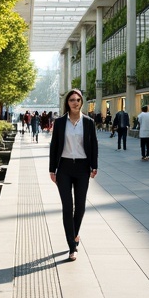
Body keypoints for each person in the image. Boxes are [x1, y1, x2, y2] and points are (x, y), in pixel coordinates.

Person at [49, 89, 99, 261]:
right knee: (67, 207)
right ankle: (72, 245)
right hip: (64, 168)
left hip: (83, 167)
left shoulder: (89, 122)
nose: (75, 102)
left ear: (81, 102)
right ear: (67, 103)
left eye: (78, 100)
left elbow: (94, 146)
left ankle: (75, 234)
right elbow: (54, 146)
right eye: (72, 100)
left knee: (81, 206)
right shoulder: (60, 122)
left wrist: (94, 166)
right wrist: (52, 169)